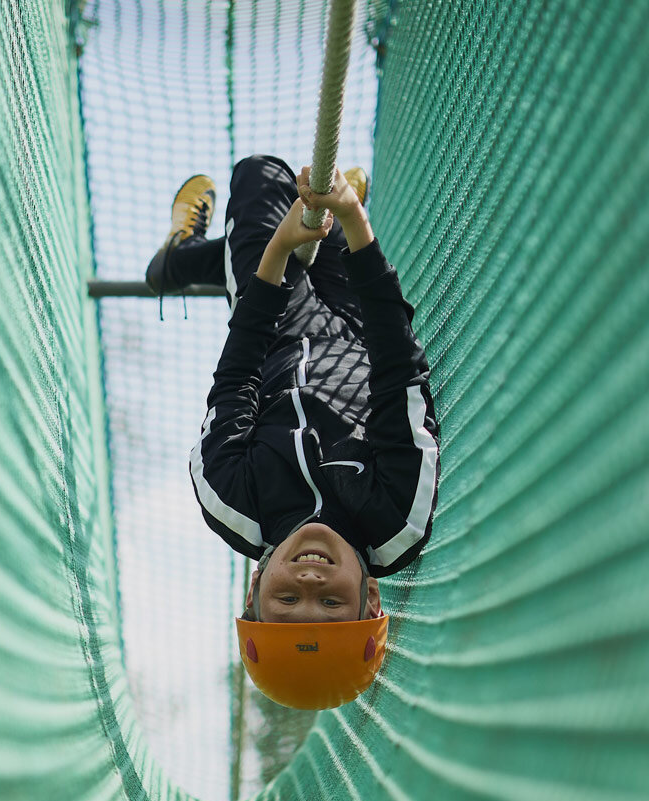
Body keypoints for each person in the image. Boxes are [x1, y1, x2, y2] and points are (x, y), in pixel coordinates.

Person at [149, 156, 438, 632]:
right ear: (369, 597)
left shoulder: (231, 498)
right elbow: (399, 369)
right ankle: (184, 262)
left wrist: (279, 250)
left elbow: (236, 377)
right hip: (361, 332)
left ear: (254, 588)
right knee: (330, 221)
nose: (309, 580)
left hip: (274, 334)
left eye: (287, 598)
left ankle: (178, 258)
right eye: (330, 604)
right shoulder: (396, 516)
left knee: (261, 175)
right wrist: (353, 218)